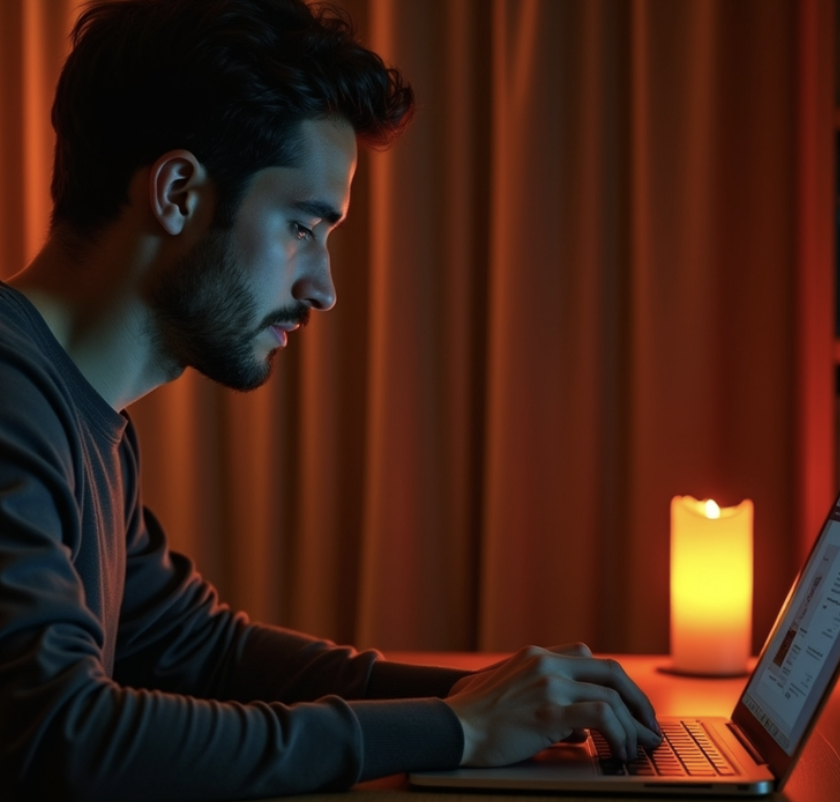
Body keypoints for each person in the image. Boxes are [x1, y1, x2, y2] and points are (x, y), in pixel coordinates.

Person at [0, 0, 662, 799]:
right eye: (303, 228)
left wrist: (488, 698)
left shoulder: (73, 412)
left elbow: (202, 653)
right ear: (177, 192)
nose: (322, 289)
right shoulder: (10, 398)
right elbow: (60, 739)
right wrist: (462, 730)